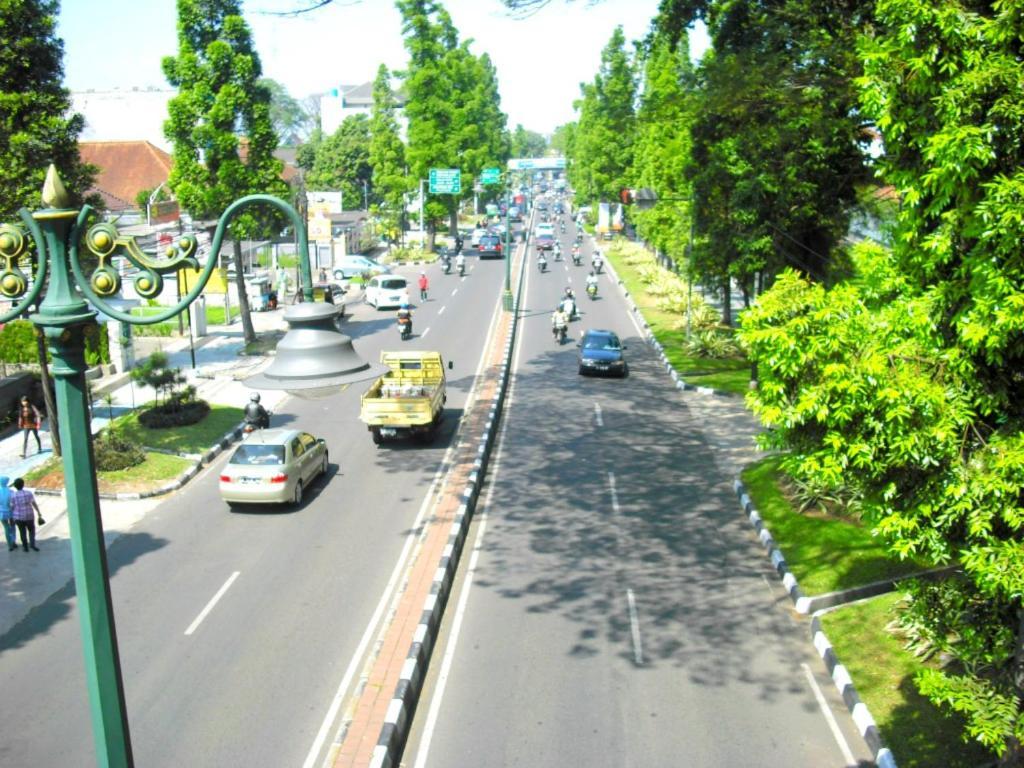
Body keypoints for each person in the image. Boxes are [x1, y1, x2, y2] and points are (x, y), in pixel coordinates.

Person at [11, 478, 41, 552]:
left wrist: (12, 516)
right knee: (31, 530)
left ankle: (25, 547)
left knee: (22, 532)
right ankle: (32, 545)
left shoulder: (13, 495)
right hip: (29, 515)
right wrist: (38, 512)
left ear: (15, 486)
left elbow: (12, 506)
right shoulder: (28, 493)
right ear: (23, 484)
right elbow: (33, 503)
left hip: (18, 517)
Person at [0, 476, 14, 552]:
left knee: (6, 528)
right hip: (10, 511)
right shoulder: (11, 491)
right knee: (12, 526)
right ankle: (13, 541)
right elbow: (13, 503)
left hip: (1, 513)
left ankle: (10, 545)